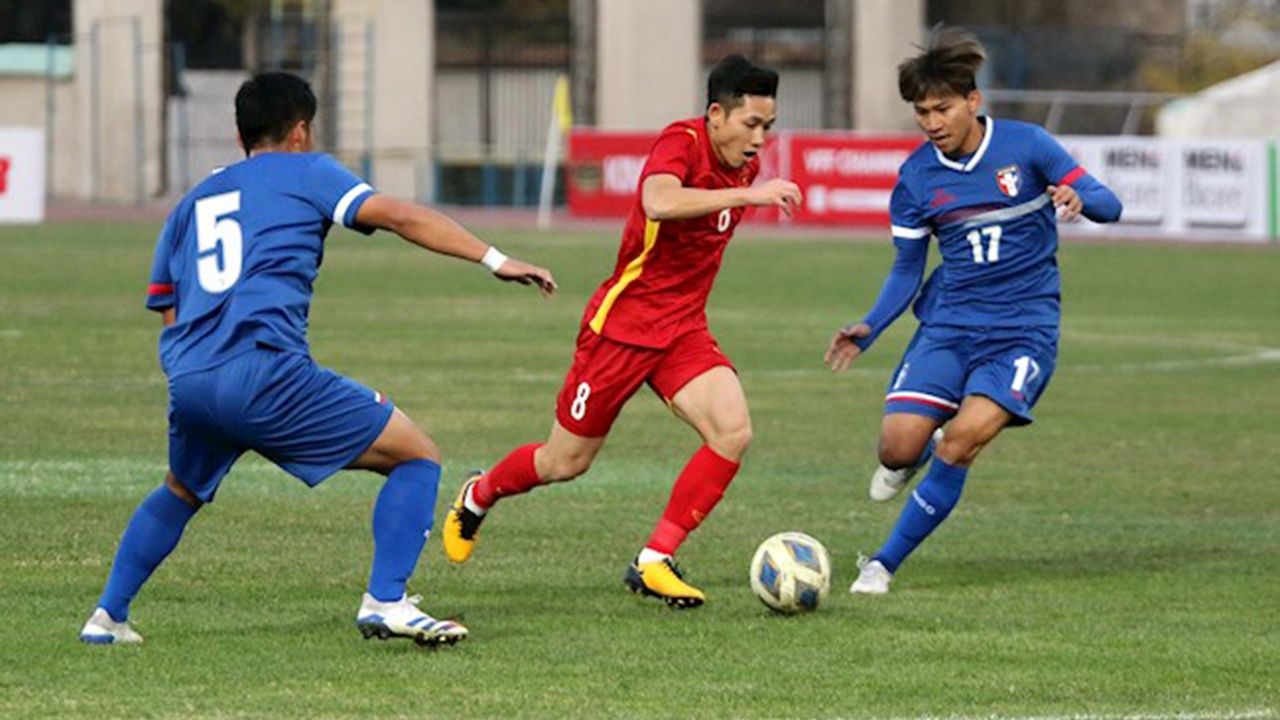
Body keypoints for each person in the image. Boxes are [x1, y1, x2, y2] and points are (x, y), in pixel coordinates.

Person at [78, 72, 557, 646]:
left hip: (192, 377)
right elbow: (400, 216)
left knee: (180, 490)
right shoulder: (308, 171)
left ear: (240, 135)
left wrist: (194, 372)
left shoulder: (193, 200)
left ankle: (107, 617)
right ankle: (387, 602)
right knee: (416, 457)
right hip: (264, 371)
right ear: (301, 130)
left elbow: (166, 303)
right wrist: (494, 259)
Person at [440, 55, 803, 609]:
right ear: (715, 115)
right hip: (623, 327)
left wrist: (745, 189)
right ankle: (478, 494)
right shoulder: (680, 143)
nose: (760, 139)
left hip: (682, 330)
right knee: (565, 462)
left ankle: (654, 559)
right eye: (751, 124)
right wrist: (746, 196)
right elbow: (659, 200)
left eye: (768, 127)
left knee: (733, 431)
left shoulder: (744, 166)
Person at [824, 28, 1122, 595]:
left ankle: (881, 564)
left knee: (960, 443)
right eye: (921, 112)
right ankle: (913, 455)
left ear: (973, 102)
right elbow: (907, 268)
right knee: (896, 448)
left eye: (942, 108)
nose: (932, 121)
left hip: (1022, 333)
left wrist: (1080, 199)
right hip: (949, 326)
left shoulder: (1029, 146)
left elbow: (1112, 204)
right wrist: (869, 327)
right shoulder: (916, 178)